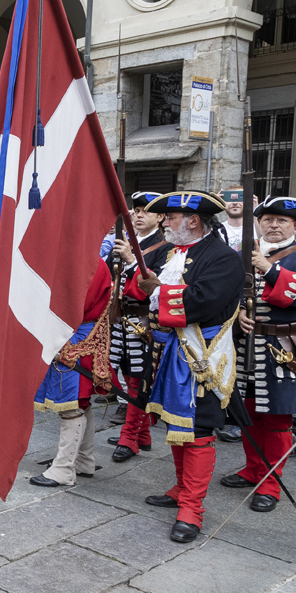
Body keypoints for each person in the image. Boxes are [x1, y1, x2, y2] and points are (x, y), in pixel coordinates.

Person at [125, 190, 244, 543]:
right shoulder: (170, 252)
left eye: (170, 218)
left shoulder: (223, 258)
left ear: (192, 220)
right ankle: (180, 490)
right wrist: (145, 282)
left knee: (199, 431)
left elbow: (203, 301)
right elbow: (138, 288)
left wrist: (158, 291)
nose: (165, 222)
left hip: (202, 357)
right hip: (169, 353)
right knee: (176, 427)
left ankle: (192, 509)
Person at [228, 196, 296, 513]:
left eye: (280, 220)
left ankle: (271, 483)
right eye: (267, 219)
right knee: (249, 412)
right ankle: (252, 469)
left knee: (278, 420)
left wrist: (269, 269)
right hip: (247, 347)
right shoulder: (245, 255)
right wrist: (237, 314)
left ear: (294, 225)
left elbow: (290, 297)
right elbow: (230, 293)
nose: (272, 224)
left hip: (284, 351)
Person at [30, 259, 114, 487]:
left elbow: (69, 305)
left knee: (72, 405)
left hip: (74, 337)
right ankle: (84, 460)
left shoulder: (87, 263)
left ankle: (63, 469)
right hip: (75, 335)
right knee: (80, 403)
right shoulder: (90, 260)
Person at [108, 192, 168, 462]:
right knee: (124, 371)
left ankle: (129, 436)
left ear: (160, 217)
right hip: (121, 318)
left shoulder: (166, 247)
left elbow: (150, 291)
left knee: (138, 379)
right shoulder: (125, 242)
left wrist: (132, 262)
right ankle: (142, 433)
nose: (139, 215)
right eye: (136, 209)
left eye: (146, 211)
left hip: (145, 322)